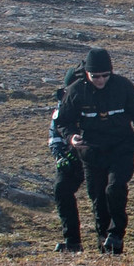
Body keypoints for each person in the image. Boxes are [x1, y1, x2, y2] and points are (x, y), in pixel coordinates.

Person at [51, 47, 134, 254]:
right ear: (87, 74)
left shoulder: (124, 87)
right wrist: (71, 138)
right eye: (96, 76)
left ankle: (116, 233)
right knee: (97, 197)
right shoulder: (75, 91)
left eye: (105, 75)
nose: (101, 80)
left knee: (115, 187)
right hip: (91, 152)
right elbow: (62, 121)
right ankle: (106, 245)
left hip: (122, 148)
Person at [45, 63, 88, 251]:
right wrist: (61, 157)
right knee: (61, 189)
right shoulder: (61, 106)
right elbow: (55, 135)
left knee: (106, 195)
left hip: (100, 155)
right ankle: (72, 243)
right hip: (72, 155)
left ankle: (109, 241)